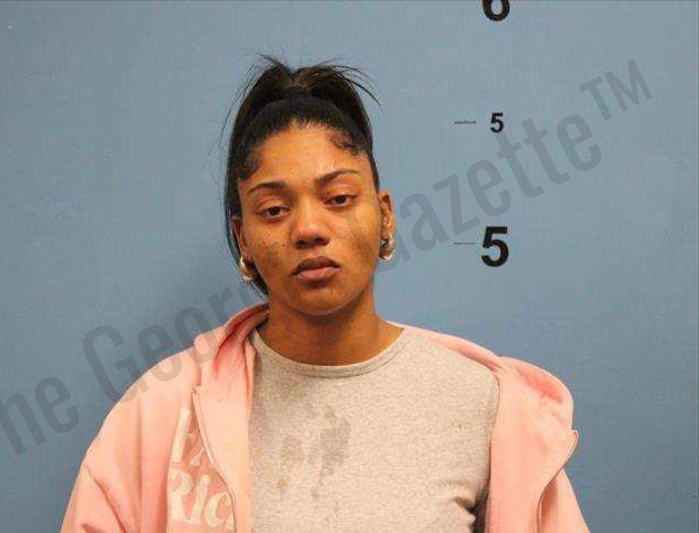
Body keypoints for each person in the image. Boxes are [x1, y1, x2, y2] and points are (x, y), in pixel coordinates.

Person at [61, 55, 589, 533]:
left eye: (338, 198)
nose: (309, 229)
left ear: (384, 215)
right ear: (244, 240)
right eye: (274, 210)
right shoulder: (163, 414)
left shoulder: (484, 404)